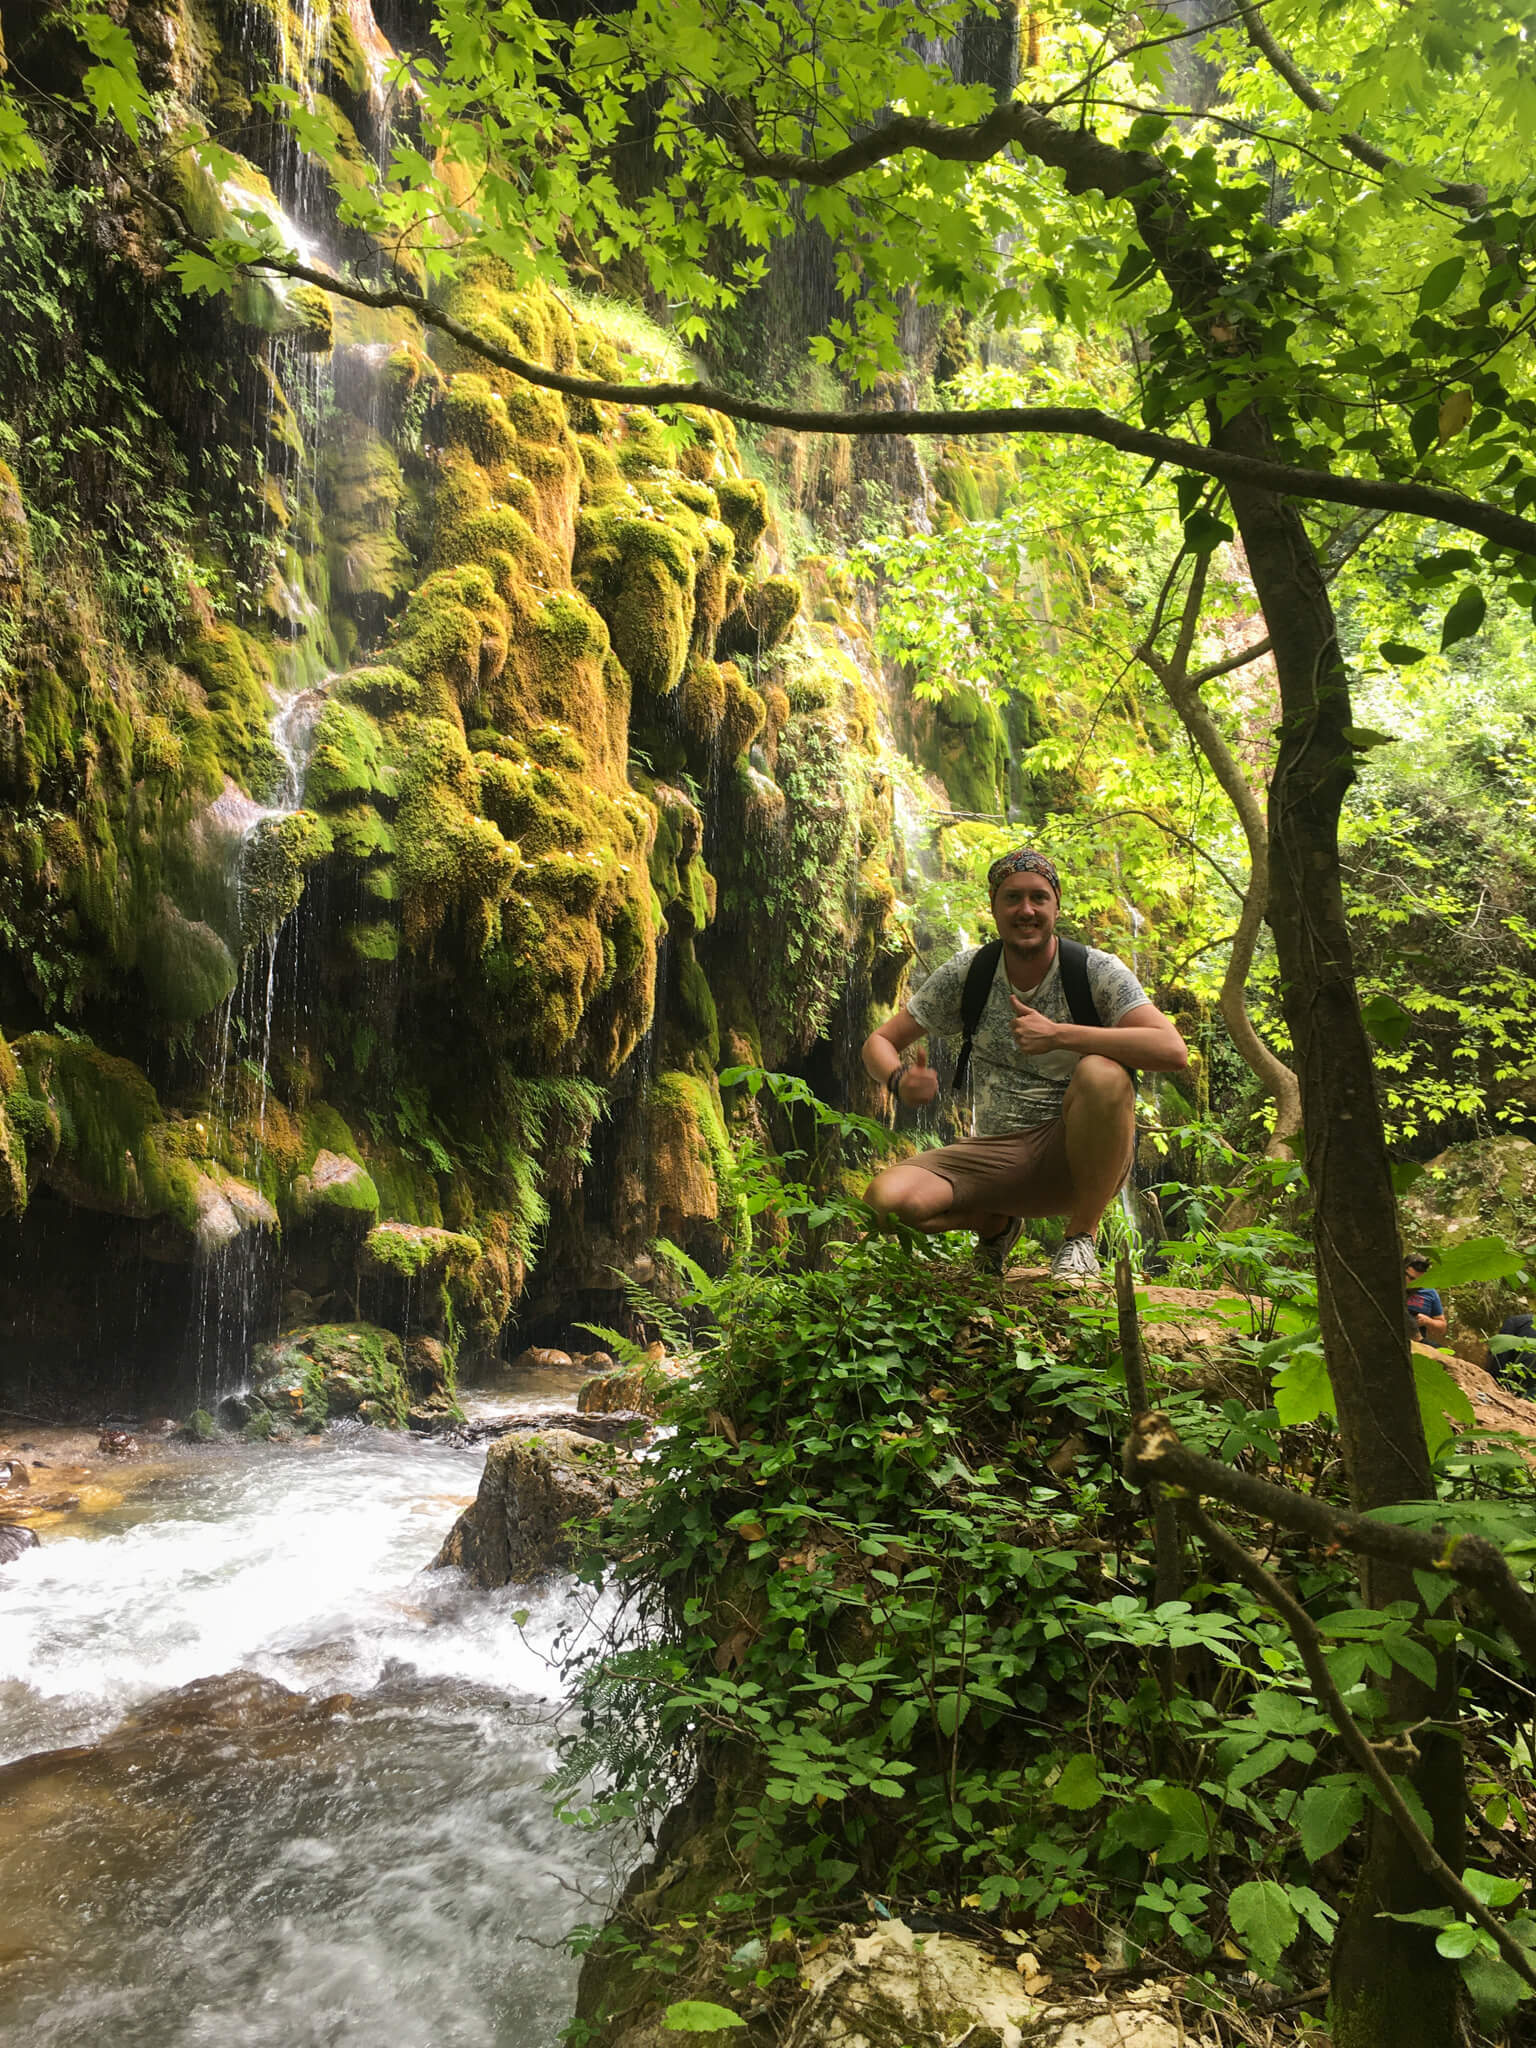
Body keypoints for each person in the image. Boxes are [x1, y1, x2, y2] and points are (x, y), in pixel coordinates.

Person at [861, 848, 1188, 1283]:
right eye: (1012, 898)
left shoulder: (1096, 971)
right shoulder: (969, 972)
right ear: (994, 908)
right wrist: (899, 1078)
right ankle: (995, 1225)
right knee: (884, 1203)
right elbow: (879, 1041)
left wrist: (1062, 1035)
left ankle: (1080, 1241)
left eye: (1038, 897)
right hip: (994, 1159)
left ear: (1056, 905)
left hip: (1076, 1155)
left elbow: (1172, 1050)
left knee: (1103, 1072)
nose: (1026, 910)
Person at [1404, 1253, 1447, 1344]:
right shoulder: (1389, 1286)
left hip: (1417, 1342)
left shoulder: (1430, 1292)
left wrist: (1427, 1321)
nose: (1412, 1283)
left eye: (1418, 1281)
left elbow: (1442, 1327)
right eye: (1410, 1277)